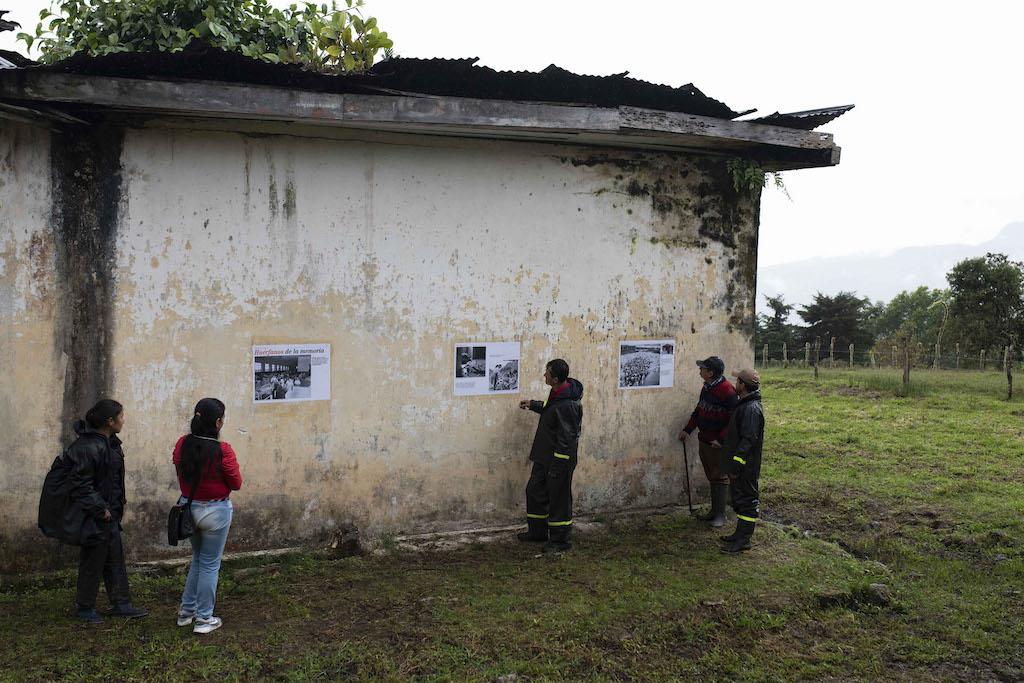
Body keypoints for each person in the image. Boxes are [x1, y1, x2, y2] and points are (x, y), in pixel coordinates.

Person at [67, 399, 148, 624]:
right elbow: (80, 484)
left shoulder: (109, 443)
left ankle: (121, 604)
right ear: (110, 421)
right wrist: (100, 509)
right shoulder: (88, 446)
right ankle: (84, 609)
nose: (124, 420)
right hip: (97, 515)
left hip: (110, 514)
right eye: (121, 416)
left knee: (114, 558)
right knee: (93, 561)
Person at [173, 398, 243, 634]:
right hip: (216, 511)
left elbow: (179, 470)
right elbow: (236, 483)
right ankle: (204, 619)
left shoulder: (183, 444)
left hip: (189, 508)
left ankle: (186, 612)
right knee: (210, 564)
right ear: (218, 422)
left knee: (199, 559)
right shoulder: (223, 450)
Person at [517, 359, 584, 553]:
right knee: (534, 491)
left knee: (559, 500)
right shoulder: (558, 394)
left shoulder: (569, 405)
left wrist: (558, 464)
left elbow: (568, 439)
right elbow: (550, 408)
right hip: (544, 456)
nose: (544, 375)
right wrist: (534, 404)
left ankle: (560, 541)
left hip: (558, 461)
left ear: (555, 379)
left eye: (546, 373)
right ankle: (537, 532)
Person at [679, 356, 738, 528]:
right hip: (705, 439)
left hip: (716, 443)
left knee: (719, 476)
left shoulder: (727, 391)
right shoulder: (707, 387)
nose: (700, 371)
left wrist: (721, 439)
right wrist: (688, 430)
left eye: (703, 369)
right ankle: (714, 512)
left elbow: (735, 419)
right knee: (712, 476)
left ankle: (720, 515)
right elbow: (699, 410)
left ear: (710, 372)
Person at [719, 369, 765, 553]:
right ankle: (739, 534)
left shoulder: (751, 409)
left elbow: (748, 439)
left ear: (743, 385)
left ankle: (744, 540)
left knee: (748, 501)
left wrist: (737, 463)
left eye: (737, 381)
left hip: (746, 466)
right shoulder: (744, 404)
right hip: (740, 464)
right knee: (740, 499)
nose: (735, 384)